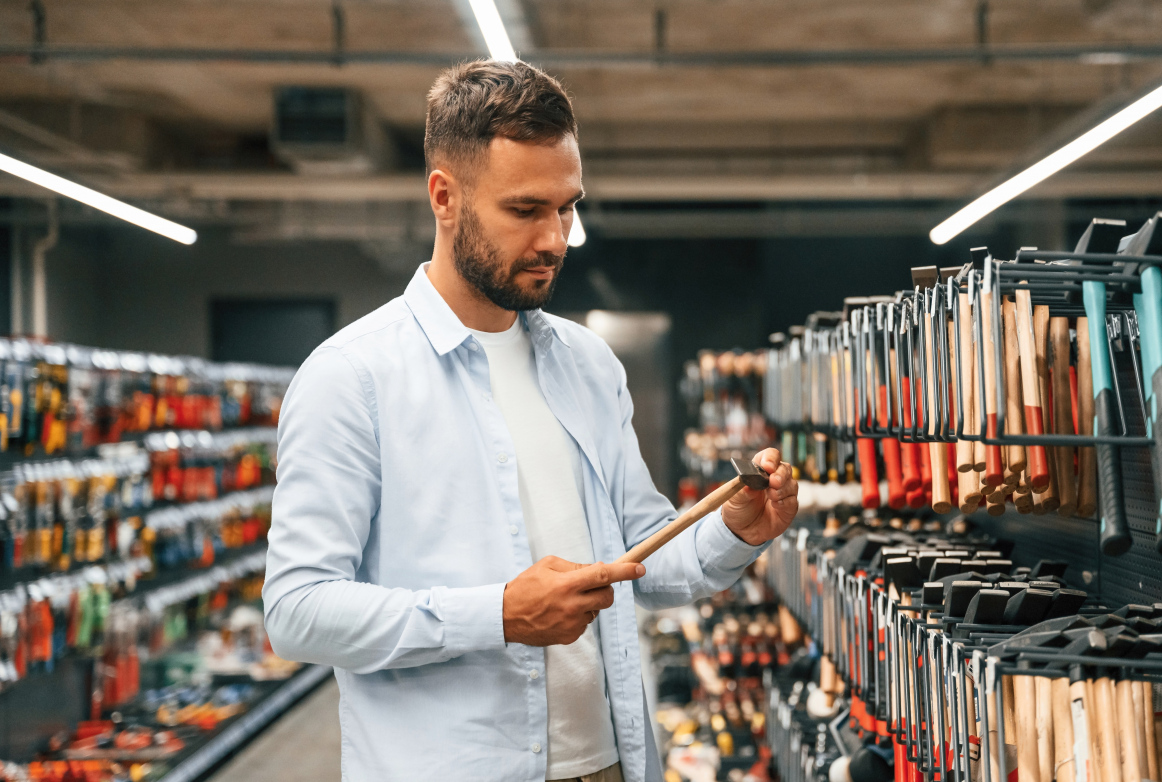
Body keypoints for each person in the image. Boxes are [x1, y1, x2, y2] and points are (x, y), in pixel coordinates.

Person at [262, 59, 798, 782]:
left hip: (609, 764)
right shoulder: (351, 377)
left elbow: (641, 555)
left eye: (567, 206)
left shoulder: (588, 365)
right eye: (525, 210)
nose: (555, 238)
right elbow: (297, 612)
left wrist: (732, 532)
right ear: (444, 198)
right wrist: (497, 614)